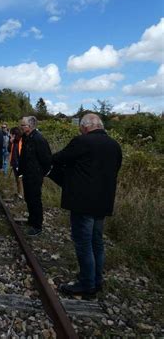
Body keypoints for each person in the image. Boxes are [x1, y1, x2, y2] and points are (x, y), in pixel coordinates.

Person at [51, 113, 122, 298]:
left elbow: (59, 158)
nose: (80, 130)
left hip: (83, 202)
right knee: (97, 242)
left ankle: (86, 284)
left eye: (81, 128)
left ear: (86, 126)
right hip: (103, 202)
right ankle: (96, 280)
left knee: (83, 243)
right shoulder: (115, 145)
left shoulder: (83, 142)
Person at [18, 116, 52, 236]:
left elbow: (47, 159)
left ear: (30, 127)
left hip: (35, 175)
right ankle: (32, 220)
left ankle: (37, 225)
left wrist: (40, 173)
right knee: (29, 198)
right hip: (27, 174)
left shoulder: (39, 139)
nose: (21, 127)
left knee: (35, 199)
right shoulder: (26, 138)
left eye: (23, 125)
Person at [8, 127, 24, 198]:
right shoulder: (13, 141)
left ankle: (21, 195)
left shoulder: (22, 141)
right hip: (14, 164)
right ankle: (19, 193)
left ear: (15, 134)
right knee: (17, 180)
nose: (10, 135)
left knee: (20, 180)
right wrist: (10, 142)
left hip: (20, 164)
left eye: (11, 134)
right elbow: (9, 150)